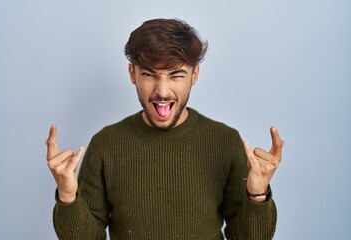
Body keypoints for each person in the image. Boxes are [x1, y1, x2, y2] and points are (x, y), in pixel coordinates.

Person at [46, 18, 284, 240]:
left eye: (176, 75)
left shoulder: (225, 141)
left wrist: (258, 195)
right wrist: (68, 197)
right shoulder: (106, 144)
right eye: (149, 74)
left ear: (194, 75)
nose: (162, 90)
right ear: (132, 74)